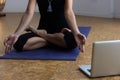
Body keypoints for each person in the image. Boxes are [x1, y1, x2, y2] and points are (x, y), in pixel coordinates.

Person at [4, 0, 86, 53]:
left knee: (72, 41)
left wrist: (76, 33)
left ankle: (42, 35)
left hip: (63, 30)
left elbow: (68, 12)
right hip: (45, 29)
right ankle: (55, 41)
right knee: (18, 43)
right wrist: (16, 34)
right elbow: (29, 12)